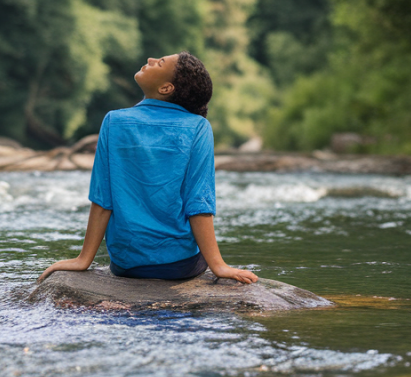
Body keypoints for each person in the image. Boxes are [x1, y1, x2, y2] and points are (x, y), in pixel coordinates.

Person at [38, 52, 258, 284]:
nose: (152, 59)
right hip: (178, 266)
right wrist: (218, 266)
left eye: (160, 62)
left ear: (166, 88)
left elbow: (103, 199)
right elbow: (198, 202)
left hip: (126, 265)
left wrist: (84, 260)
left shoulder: (114, 121)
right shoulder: (199, 127)